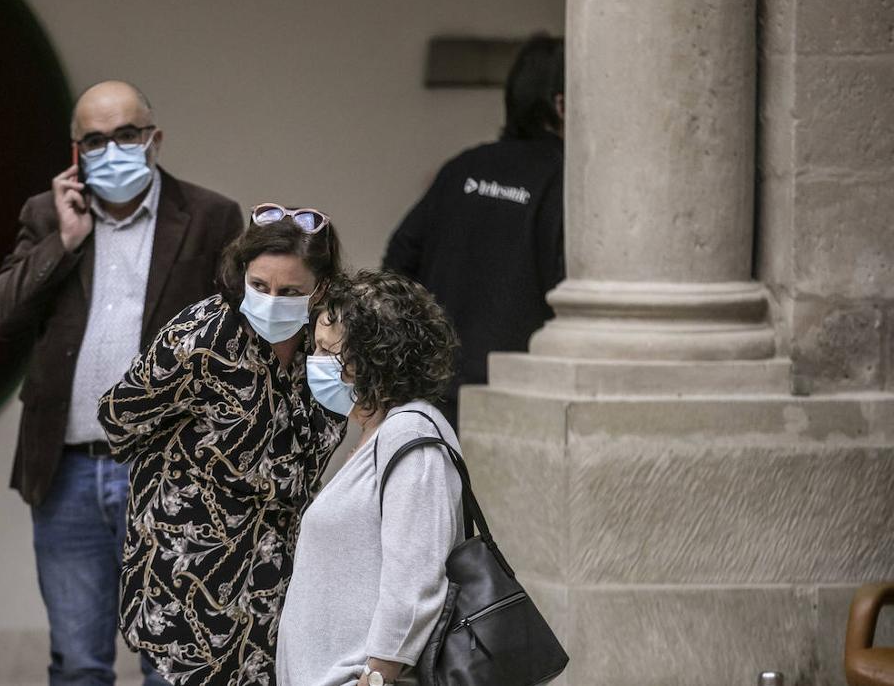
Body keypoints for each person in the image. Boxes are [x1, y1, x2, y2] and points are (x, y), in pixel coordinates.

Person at [0, 80, 244, 686]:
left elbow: (241, 344)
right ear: (76, 152)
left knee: (173, 663)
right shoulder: (48, 216)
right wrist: (65, 241)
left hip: (173, 473)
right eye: (95, 140)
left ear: (154, 139)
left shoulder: (210, 217)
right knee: (78, 664)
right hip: (67, 470)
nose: (112, 149)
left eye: (126, 134)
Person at [98, 205, 348, 685]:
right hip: (189, 575)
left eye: (291, 291)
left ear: (320, 290)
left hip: (277, 578)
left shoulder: (330, 345)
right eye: (260, 286)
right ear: (242, 275)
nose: (273, 301)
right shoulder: (204, 335)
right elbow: (119, 419)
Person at [278, 269, 464, 686]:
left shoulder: (410, 434)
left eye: (331, 352)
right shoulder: (376, 435)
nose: (317, 363)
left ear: (374, 357)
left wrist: (377, 676)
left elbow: (414, 578)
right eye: (317, 348)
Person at [383, 34, 565, 424]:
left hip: (432, 396)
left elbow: (397, 264)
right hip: (515, 401)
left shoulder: (462, 168)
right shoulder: (567, 180)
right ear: (561, 105)